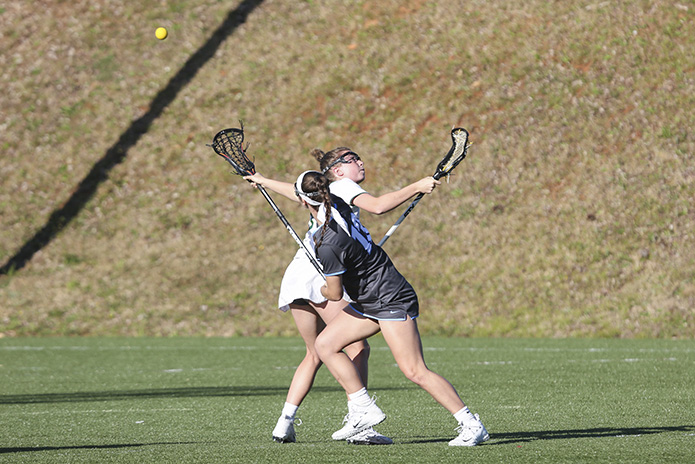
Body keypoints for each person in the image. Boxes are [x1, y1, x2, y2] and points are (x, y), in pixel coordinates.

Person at [244, 147, 439, 445]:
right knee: (354, 346)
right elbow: (377, 206)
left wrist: (262, 180)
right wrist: (417, 186)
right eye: (352, 160)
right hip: (321, 275)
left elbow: (296, 191)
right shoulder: (343, 187)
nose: (360, 162)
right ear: (336, 170)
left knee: (318, 351)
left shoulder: (321, 191)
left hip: (299, 273)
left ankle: (285, 422)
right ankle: (362, 419)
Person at [293, 170, 489, 447]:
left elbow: (334, 295)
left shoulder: (326, 243)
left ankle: (472, 425)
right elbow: (310, 190)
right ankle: (363, 408)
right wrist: (262, 181)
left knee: (414, 370)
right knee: (325, 345)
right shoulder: (339, 199)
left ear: (302, 202)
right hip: (368, 300)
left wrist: (321, 288)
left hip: (388, 297)